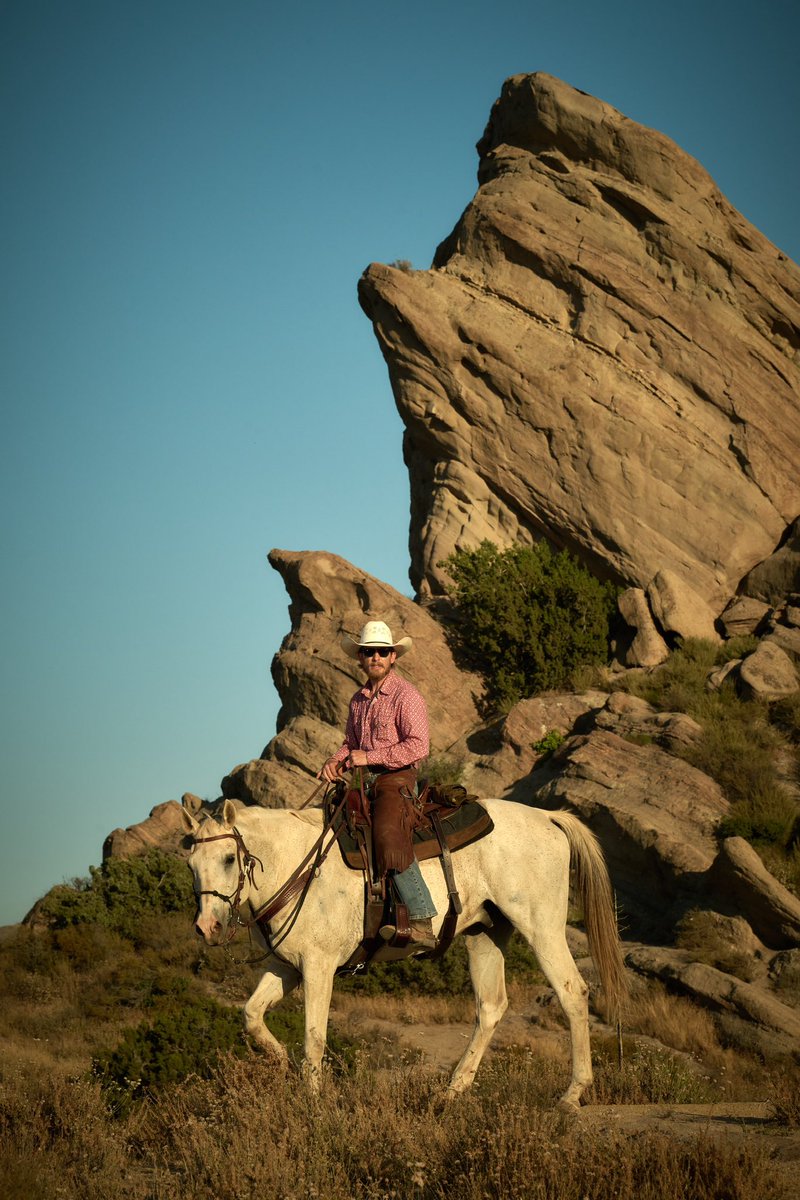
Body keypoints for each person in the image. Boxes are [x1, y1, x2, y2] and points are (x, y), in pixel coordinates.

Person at [319, 620, 438, 948]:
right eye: (369, 652)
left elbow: (418, 746)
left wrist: (368, 758)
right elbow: (350, 744)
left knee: (387, 833)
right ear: (360, 657)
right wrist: (335, 761)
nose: (375, 657)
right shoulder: (357, 700)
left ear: (393, 657)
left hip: (397, 779)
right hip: (364, 781)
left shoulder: (406, 695)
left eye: (382, 652)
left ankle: (421, 917)